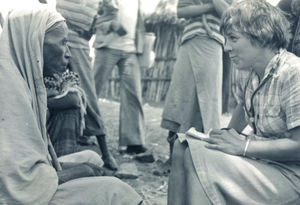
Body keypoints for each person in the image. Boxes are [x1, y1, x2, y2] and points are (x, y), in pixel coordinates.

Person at [0, 5, 142, 204]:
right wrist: (80, 172)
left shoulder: (25, 81)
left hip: (31, 182)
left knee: (92, 159)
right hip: (21, 195)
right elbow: (17, 184)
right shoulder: (8, 89)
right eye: (63, 43)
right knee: (115, 191)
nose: (69, 54)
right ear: (34, 43)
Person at [168, 0, 300, 204]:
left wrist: (244, 147)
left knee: (204, 159)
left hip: (291, 175)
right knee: (183, 146)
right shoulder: (247, 72)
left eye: (233, 39)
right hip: (265, 162)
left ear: (261, 35)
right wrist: (224, 137)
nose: (226, 47)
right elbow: (244, 105)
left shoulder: (293, 73)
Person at [160, 0, 230, 163]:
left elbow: (229, 14)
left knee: (207, 102)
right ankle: (174, 157)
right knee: (180, 97)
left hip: (213, 43)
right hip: (190, 41)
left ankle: (205, 157)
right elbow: (181, 11)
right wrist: (208, 7)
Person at [56, 0, 118, 170]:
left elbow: (112, 11)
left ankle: (105, 152)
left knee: (87, 95)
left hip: (78, 42)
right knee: (53, 89)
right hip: (55, 37)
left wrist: (92, 28)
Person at [93, 0, 147, 154]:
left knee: (133, 94)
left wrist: (142, 47)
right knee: (92, 91)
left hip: (130, 50)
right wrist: (111, 25)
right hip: (107, 47)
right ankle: (83, 133)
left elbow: (140, 25)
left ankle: (133, 142)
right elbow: (96, 17)